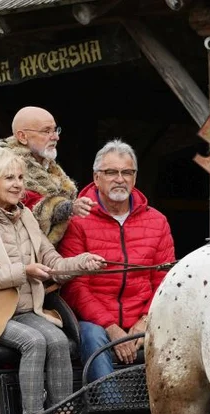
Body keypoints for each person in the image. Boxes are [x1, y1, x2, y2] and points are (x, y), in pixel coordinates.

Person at [0, 144, 104, 414]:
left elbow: (53, 263)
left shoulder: (24, 216)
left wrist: (82, 263)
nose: (18, 185)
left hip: (24, 310)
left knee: (58, 340)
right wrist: (24, 271)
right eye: (9, 178)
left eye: (21, 178)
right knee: (34, 341)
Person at [59, 140, 176, 382]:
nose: (120, 179)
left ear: (134, 178)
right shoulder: (78, 221)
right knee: (93, 337)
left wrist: (145, 322)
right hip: (96, 321)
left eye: (127, 172)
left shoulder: (157, 221)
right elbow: (75, 286)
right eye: (111, 172)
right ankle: (110, 411)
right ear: (96, 177)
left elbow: (164, 279)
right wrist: (111, 328)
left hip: (143, 317)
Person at [0, 106, 94, 244]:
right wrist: (69, 208)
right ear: (22, 136)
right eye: (46, 131)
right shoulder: (3, 165)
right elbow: (26, 206)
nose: (56, 137)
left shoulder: (48, 165)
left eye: (55, 130)